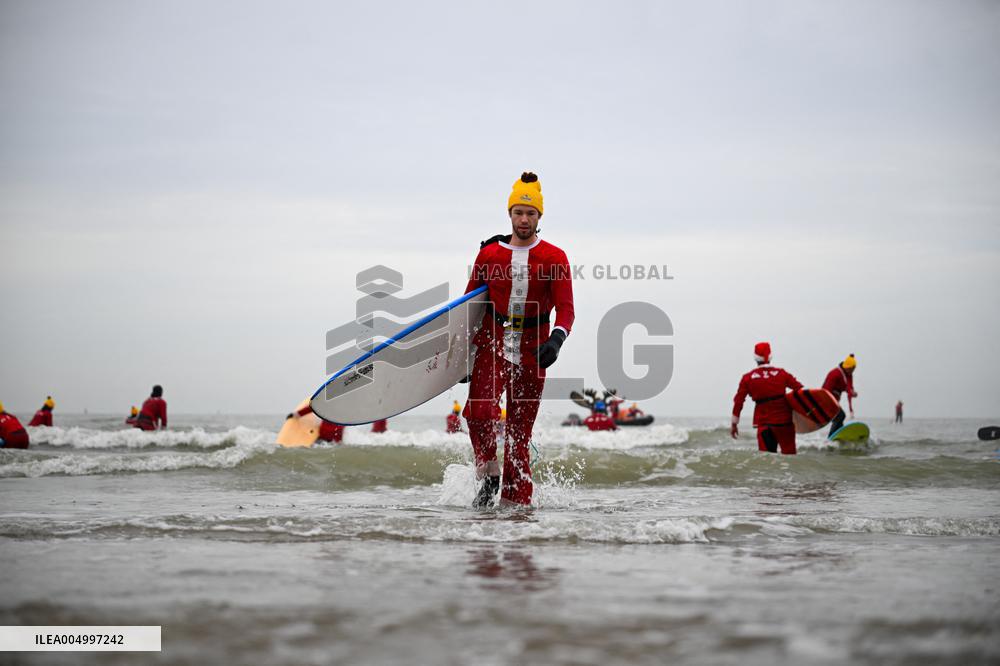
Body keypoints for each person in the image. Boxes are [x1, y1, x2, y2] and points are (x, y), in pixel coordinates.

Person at [463, 171, 575, 508]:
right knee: (478, 411)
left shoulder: (555, 257)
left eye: (530, 213)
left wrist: (556, 340)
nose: (523, 219)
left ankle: (517, 513)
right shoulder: (489, 255)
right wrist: (461, 357)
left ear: (539, 216)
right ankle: (489, 472)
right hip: (493, 344)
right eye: (518, 212)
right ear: (509, 214)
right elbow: (468, 304)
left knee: (518, 438)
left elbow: (566, 309)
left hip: (533, 351)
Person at [732, 342, 804, 455]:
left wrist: (734, 424)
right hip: (785, 423)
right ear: (770, 356)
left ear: (755, 358)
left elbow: (738, 401)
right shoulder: (782, 374)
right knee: (790, 457)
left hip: (764, 424)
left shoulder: (747, 378)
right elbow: (801, 390)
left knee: (767, 460)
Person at [822, 354, 857, 436]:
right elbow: (826, 390)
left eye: (854, 369)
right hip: (826, 399)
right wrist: (826, 403)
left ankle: (838, 438)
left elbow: (849, 388)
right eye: (852, 369)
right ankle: (830, 438)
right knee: (840, 416)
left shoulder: (849, 375)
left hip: (835, 401)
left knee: (840, 419)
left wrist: (852, 393)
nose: (853, 371)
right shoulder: (835, 373)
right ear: (847, 367)